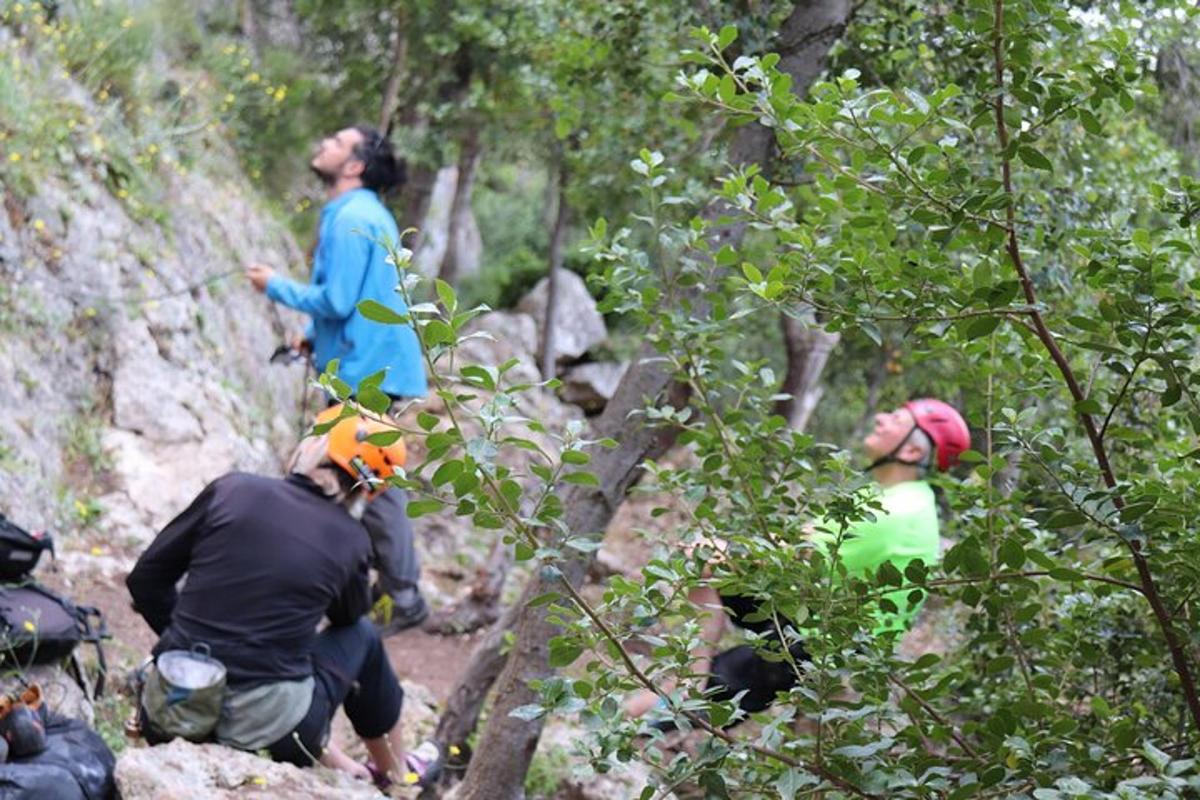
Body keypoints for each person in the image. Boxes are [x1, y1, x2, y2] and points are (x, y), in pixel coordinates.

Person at [126, 405, 439, 788]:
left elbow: (145, 580)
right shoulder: (351, 539)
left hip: (174, 705)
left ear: (319, 446)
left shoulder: (233, 489)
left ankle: (343, 758)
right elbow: (347, 619)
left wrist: (186, 644)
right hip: (280, 731)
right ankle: (397, 775)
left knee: (283, 641)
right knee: (362, 637)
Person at [627, 398, 970, 725]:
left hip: (815, 647)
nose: (881, 419)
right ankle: (650, 713)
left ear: (911, 451)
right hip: (828, 644)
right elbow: (800, 542)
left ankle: (689, 683)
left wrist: (717, 549)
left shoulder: (893, 511)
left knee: (702, 559)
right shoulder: (903, 500)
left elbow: (783, 556)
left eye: (896, 420)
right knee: (721, 689)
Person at [246, 125, 430, 633]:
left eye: (335, 141)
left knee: (370, 482)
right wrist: (311, 336)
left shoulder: (351, 218)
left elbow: (336, 299)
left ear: (353, 166)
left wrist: (274, 286)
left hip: (366, 372)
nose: (322, 142)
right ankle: (381, 589)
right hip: (368, 362)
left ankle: (402, 595)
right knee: (363, 477)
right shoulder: (364, 214)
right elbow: (353, 298)